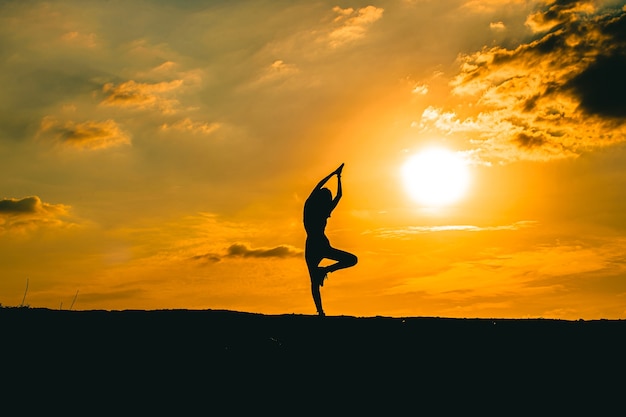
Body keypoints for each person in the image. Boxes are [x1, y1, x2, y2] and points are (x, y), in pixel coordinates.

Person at [303, 163, 358, 316]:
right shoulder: (314, 208)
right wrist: (337, 176)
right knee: (351, 260)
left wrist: (334, 175)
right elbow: (335, 194)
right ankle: (320, 310)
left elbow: (332, 193)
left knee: (315, 281)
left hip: (315, 245)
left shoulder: (311, 208)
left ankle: (320, 310)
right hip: (319, 245)